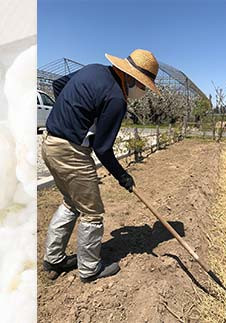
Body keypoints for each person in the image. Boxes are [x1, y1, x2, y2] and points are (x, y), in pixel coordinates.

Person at [42, 49, 160, 282]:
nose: (143, 92)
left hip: (50, 143)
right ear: (133, 78)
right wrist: (123, 176)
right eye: (144, 86)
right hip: (71, 153)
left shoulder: (94, 69)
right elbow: (103, 148)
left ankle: (53, 258)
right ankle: (89, 269)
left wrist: (75, 115)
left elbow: (58, 85)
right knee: (92, 212)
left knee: (71, 203)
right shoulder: (117, 98)